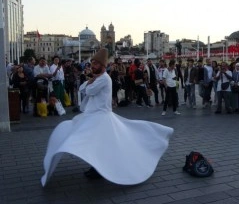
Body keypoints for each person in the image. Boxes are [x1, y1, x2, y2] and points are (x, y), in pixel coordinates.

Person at [41, 48, 173, 186]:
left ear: (103, 66)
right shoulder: (98, 78)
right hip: (94, 116)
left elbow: (89, 90)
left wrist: (90, 81)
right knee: (94, 143)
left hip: (100, 116)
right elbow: (82, 89)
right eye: (92, 63)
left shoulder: (104, 79)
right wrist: (90, 81)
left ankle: (99, 169)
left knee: (98, 143)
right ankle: (96, 168)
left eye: (96, 64)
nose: (93, 66)